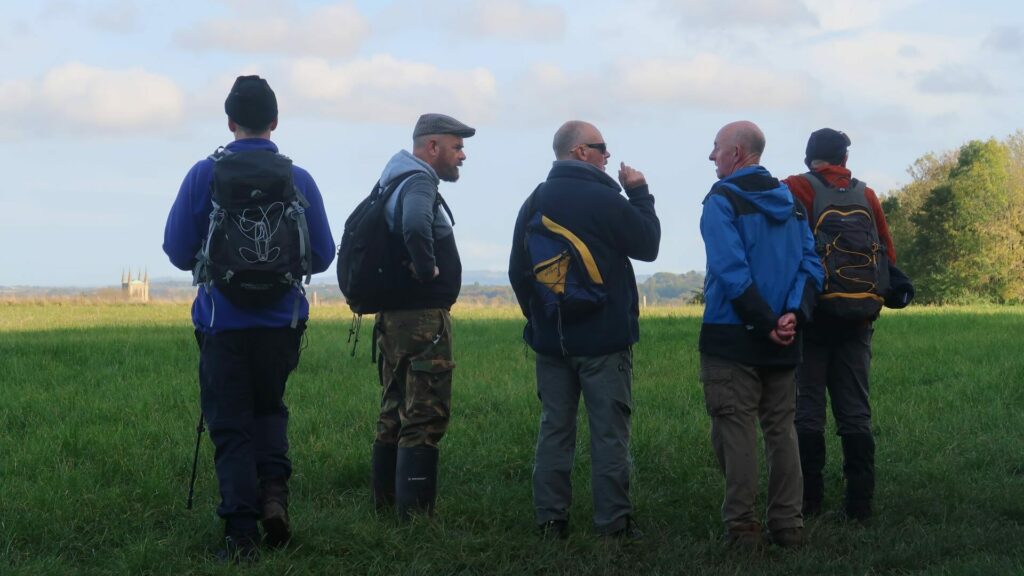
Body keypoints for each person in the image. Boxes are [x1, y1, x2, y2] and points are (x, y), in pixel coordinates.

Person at [163, 75, 335, 561]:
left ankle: (240, 537)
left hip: (222, 324)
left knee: (230, 423)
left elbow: (176, 250)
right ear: (275, 122)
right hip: (281, 323)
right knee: (269, 409)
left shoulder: (204, 174)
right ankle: (275, 496)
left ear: (230, 122)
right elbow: (321, 254)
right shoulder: (298, 178)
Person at [508, 120, 660, 539]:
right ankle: (613, 524)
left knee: (555, 429)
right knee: (609, 433)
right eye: (602, 147)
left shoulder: (534, 200)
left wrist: (539, 318)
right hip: (605, 341)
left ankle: (551, 522)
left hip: (551, 342)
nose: (609, 155)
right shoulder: (607, 200)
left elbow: (517, 271)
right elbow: (648, 246)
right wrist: (641, 193)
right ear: (581, 152)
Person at [699, 120, 824, 549]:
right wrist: (792, 315)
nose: (711, 156)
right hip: (785, 338)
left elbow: (729, 271)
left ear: (736, 153)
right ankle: (788, 527)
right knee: (781, 431)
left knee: (735, 435)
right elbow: (812, 265)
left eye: (716, 148)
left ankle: (743, 530)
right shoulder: (790, 201)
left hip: (731, 339)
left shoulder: (721, 200)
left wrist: (765, 321)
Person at [783, 128, 897, 522]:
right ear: (844, 159)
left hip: (813, 318)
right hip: (858, 318)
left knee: (807, 411)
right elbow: (887, 252)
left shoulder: (795, 188)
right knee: (856, 413)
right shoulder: (866, 195)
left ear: (808, 156)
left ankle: (809, 503)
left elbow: (785, 247)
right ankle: (860, 506)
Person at [370, 113, 474, 521]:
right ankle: (414, 518)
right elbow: (415, 223)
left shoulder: (392, 177)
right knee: (425, 412)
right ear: (432, 147)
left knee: (394, 406)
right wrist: (428, 268)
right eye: (456, 146)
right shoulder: (418, 181)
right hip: (421, 320)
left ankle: (385, 507)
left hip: (396, 316)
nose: (462, 156)